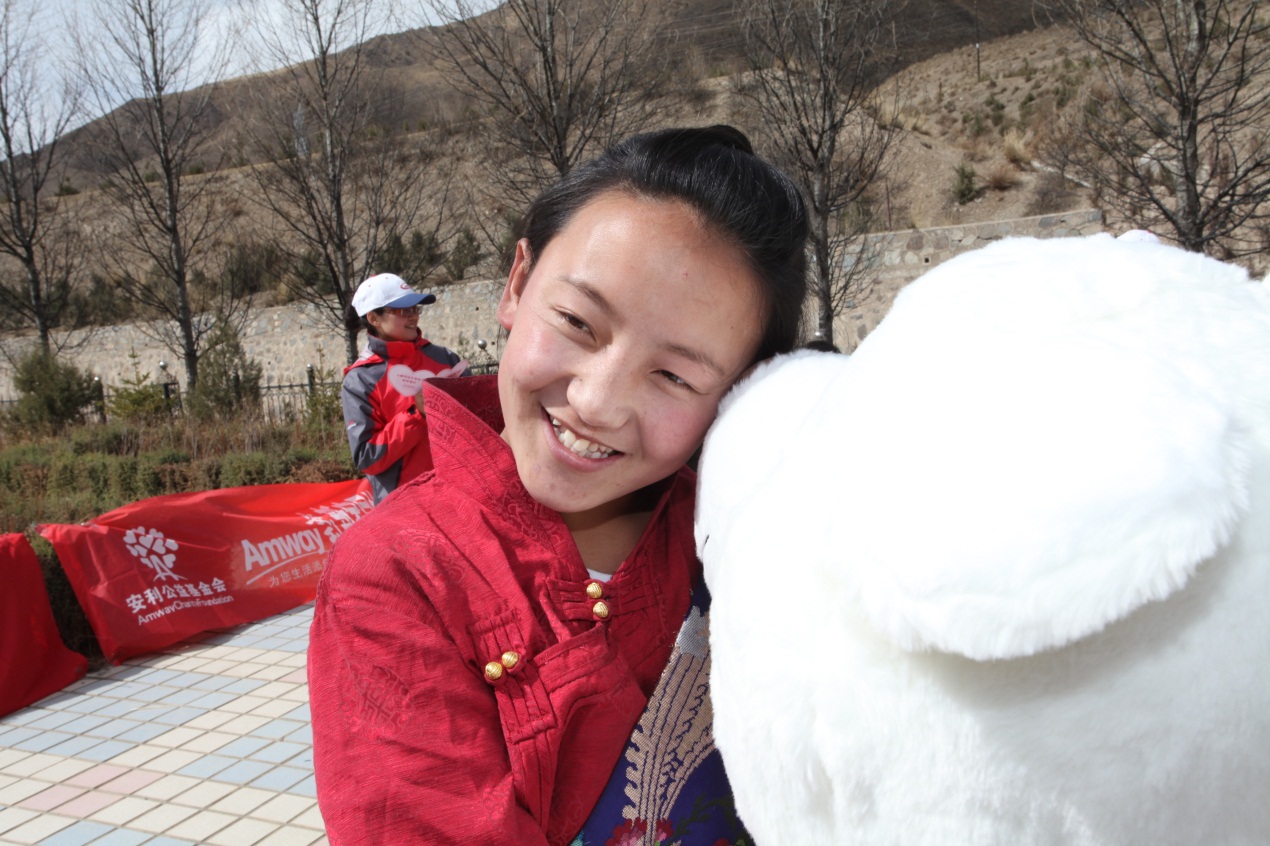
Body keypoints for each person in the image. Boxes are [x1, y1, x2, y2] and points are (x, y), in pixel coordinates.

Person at [308, 125, 809, 844]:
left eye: (674, 375)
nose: (599, 402)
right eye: (577, 322)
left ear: (740, 389)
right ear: (518, 283)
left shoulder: (754, 546)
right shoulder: (395, 577)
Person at [340, 272, 464, 504]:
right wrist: (416, 415)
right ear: (374, 319)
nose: (413, 317)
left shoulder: (446, 358)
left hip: (460, 495)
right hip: (405, 508)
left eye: (415, 309)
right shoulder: (360, 380)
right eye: (402, 311)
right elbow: (367, 458)